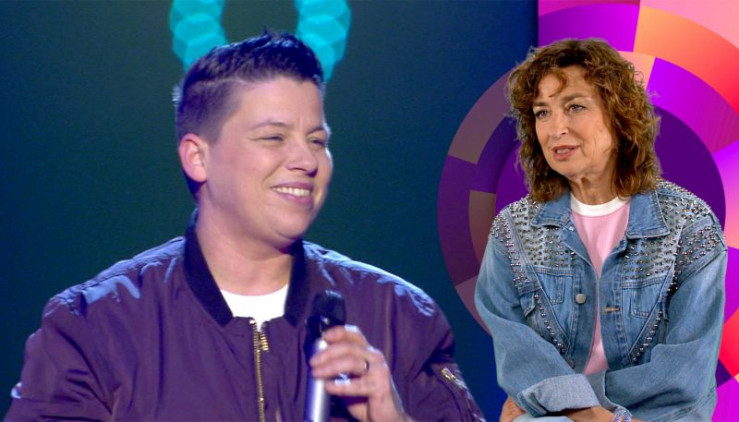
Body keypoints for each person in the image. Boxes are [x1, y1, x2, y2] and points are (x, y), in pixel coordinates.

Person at [6, 32, 483, 422]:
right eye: (273, 137)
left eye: (317, 140)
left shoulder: (399, 317)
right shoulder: (95, 327)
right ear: (198, 157)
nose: (306, 160)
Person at [474, 38, 727, 422]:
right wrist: (586, 415)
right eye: (542, 113)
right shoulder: (513, 230)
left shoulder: (689, 223)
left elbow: (684, 373)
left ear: (618, 116)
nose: (555, 128)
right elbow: (519, 355)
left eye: (574, 107)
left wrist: (574, 402)